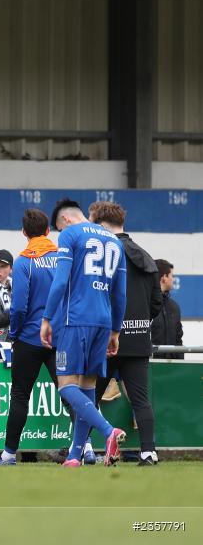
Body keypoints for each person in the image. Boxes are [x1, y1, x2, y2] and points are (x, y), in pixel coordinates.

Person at [0, 209, 74, 466]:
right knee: (71, 393)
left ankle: (9, 455)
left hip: (30, 339)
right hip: (60, 338)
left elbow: (19, 307)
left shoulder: (23, 261)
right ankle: (84, 448)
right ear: (48, 231)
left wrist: (14, 333)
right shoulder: (63, 256)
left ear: (24, 233)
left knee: (20, 395)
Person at [41, 199, 127, 467]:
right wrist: (115, 330)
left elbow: (61, 280)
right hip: (103, 321)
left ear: (65, 221)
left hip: (75, 318)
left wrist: (47, 318)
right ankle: (75, 456)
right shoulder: (115, 241)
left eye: (56, 228)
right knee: (87, 386)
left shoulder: (70, 235)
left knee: (66, 387)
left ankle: (108, 431)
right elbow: (120, 293)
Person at [88, 201, 162, 466]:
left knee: (89, 398)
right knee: (141, 400)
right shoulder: (146, 257)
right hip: (139, 340)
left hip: (105, 340)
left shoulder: (101, 256)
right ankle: (148, 452)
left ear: (102, 225)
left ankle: (82, 449)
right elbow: (157, 304)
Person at [152, 259, 183, 359]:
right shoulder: (145, 305)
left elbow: (178, 341)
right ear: (164, 278)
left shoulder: (174, 307)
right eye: (171, 276)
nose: (173, 279)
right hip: (150, 368)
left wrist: (180, 366)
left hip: (172, 369)